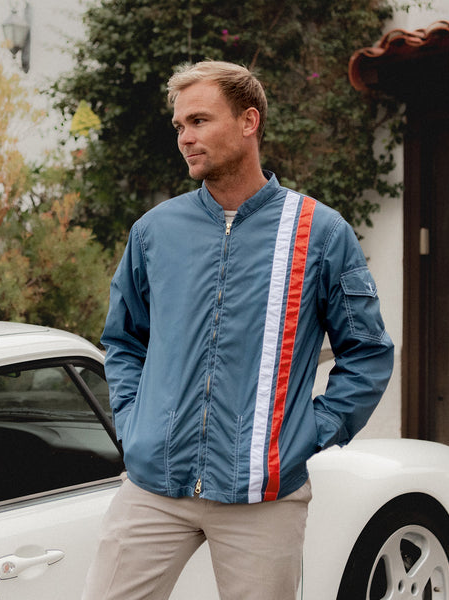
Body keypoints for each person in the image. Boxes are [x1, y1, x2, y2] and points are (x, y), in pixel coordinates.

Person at [82, 60, 394, 600]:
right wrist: (135, 424)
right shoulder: (155, 231)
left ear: (249, 122)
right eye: (180, 126)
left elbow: (366, 353)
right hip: (155, 486)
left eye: (199, 121)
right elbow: (123, 340)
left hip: (263, 495)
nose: (186, 138)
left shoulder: (320, 233)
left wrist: (310, 432)